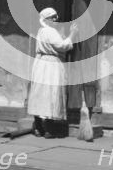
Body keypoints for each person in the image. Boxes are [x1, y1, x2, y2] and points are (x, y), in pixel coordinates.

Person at [28, 7, 77, 138]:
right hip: (51, 65)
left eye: (56, 16)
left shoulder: (42, 31)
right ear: (46, 19)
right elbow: (61, 46)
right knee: (51, 94)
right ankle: (49, 129)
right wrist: (72, 34)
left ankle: (38, 126)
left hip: (41, 64)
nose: (56, 19)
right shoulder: (50, 31)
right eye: (52, 17)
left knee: (40, 93)